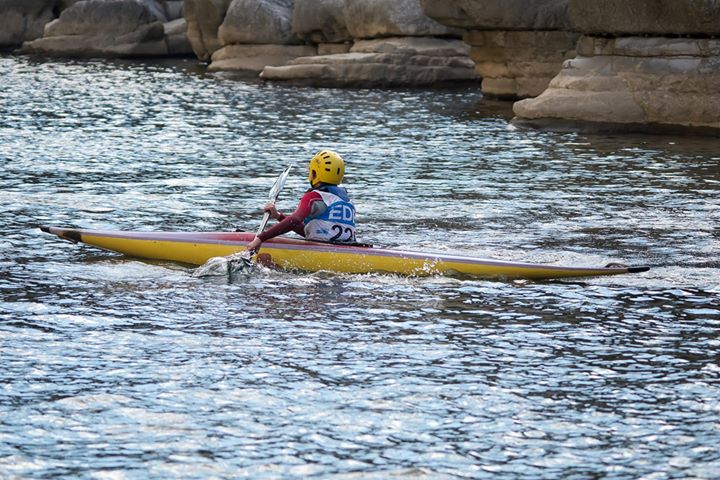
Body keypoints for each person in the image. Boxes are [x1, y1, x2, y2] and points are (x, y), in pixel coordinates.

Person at [245, 150, 356, 253]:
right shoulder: (347, 201)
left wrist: (261, 238)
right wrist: (278, 216)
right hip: (349, 252)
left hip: (324, 252)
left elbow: (295, 219)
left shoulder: (313, 196)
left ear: (314, 174)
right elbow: (310, 232)